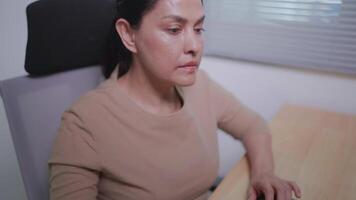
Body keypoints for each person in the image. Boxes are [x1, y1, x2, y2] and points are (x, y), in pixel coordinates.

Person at [48, 0, 302, 200]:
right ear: (128, 35)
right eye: (174, 29)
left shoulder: (201, 86)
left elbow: (253, 127)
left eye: (199, 29)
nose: (194, 45)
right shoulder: (83, 124)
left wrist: (263, 173)